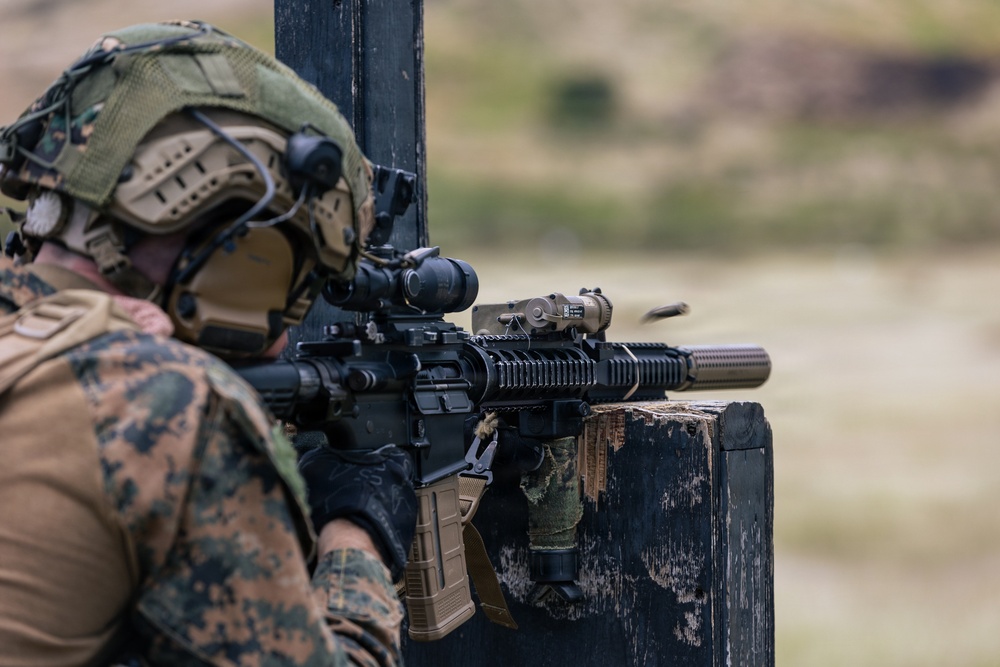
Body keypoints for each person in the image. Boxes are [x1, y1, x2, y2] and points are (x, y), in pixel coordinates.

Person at [0, 20, 417, 666]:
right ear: (242, 249)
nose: (280, 342)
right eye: (290, 283)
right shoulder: (169, 406)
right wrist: (354, 541)